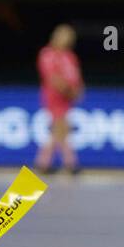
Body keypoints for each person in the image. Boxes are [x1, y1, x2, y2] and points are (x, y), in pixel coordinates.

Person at [35, 24, 84, 174]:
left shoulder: (70, 57)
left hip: (67, 99)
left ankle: (44, 163)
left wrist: (77, 90)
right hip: (54, 98)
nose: (67, 41)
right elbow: (52, 78)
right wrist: (68, 90)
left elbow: (76, 77)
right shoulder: (47, 54)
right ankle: (69, 163)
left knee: (59, 131)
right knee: (61, 128)